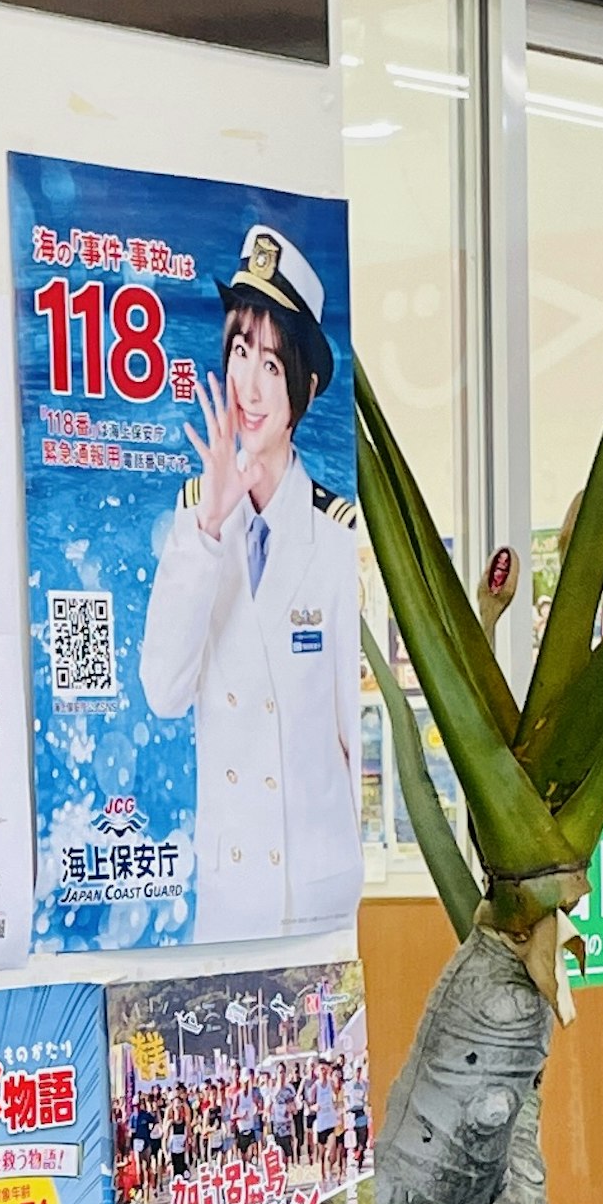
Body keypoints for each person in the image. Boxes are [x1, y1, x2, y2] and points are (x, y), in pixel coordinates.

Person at [138, 229, 363, 946]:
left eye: (272, 362)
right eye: (240, 352)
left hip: (314, 892)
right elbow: (162, 692)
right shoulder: (193, 519)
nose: (250, 385)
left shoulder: (337, 535)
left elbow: (354, 735)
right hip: (232, 899)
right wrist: (210, 524)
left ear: (306, 385)